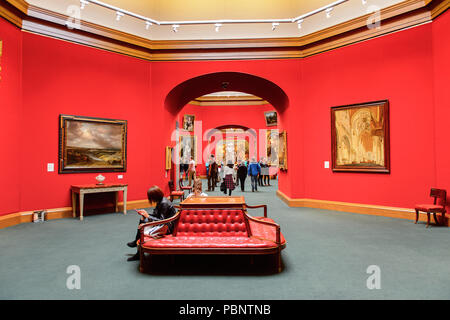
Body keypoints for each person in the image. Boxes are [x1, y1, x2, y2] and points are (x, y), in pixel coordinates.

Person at [127, 186, 176, 261]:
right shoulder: (160, 201)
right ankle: (137, 248)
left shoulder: (164, 203)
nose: (150, 199)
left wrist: (148, 216)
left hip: (168, 227)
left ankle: (137, 250)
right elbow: (156, 215)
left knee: (143, 225)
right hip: (163, 224)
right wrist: (145, 214)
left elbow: (162, 221)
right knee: (142, 220)